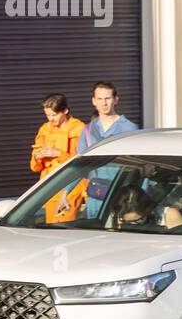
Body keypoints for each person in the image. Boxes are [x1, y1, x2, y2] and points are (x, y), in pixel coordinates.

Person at [58, 81, 140, 218]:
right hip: (95, 198)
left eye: (108, 98)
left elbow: (141, 167)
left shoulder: (130, 129)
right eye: (100, 99)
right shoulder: (88, 130)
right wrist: (65, 194)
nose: (104, 103)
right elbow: (80, 165)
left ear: (116, 100)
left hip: (122, 199)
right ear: (93, 101)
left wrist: (137, 202)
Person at [30, 93, 85, 223]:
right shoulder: (45, 129)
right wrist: (37, 157)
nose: (50, 119)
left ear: (65, 110)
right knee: (51, 227)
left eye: (54, 115)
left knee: (65, 226)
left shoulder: (79, 129)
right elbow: (35, 167)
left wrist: (58, 154)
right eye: (47, 115)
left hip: (70, 187)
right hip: (50, 186)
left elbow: (82, 163)